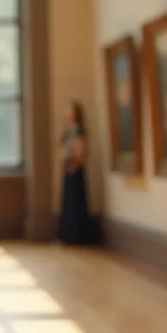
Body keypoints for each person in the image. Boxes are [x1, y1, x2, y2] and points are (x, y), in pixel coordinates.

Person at [56, 101, 92, 244]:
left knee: (75, 202)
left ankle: (77, 235)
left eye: (69, 110)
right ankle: (67, 235)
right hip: (67, 169)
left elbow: (80, 151)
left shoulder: (79, 131)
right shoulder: (68, 130)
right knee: (68, 202)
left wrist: (72, 157)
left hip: (75, 169)